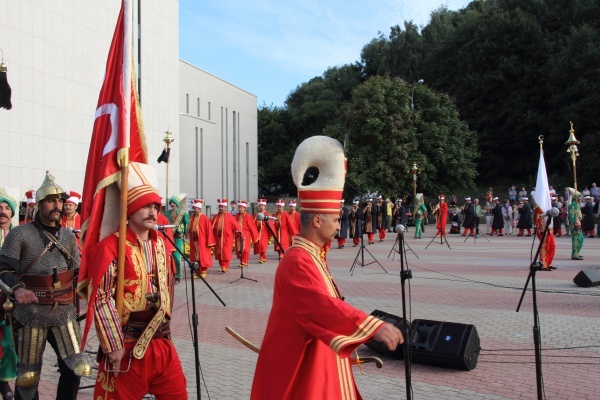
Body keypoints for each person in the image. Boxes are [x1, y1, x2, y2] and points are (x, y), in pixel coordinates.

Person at [251, 135, 403, 400]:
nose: (337, 225)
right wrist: (371, 326)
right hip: (304, 369)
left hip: (319, 362)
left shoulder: (313, 257)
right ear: (318, 220)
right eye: (334, 219)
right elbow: (320, 305)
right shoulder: (297, 260)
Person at [80, 163, 187, 399]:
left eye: (155, 206)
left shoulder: (161, 245)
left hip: (161, 342)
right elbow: (101, 297)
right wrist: (113, 345)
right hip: (125, 344)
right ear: (130, 210)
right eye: (145, 206)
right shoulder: (111, 248)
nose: (152, 212)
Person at [0, 172, 91, 400]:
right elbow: (3, 270)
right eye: (51, 200)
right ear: (39, 204)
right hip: (30, 312)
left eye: (60, 201)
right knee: (28, 377)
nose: (57, 205)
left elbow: (77, 271)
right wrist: (18, 289)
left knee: (76, 367)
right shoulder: (20, 234)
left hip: (63, 311)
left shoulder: (68, 237)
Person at [0, 189, 18, 400]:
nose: (3, 212)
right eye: (0, 208)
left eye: (6, 208)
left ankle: (4, 380)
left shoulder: (18, 235)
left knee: (10, 343)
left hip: (12, 298)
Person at [189, 199, 216, 278]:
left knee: (202, 256)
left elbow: (209, 231)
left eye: (195, 208)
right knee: (196, 256)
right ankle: (198, 271)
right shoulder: (192, 218)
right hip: (194, 240)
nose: (194, 210)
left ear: (199, 209)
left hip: (202, 241)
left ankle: (203, 271)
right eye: (193, 208)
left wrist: (209, 241)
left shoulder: (205, 218)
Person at [211, 197, 239, 272]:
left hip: (227, 238)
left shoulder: (230, 217)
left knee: (226, 252)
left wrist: (240, 235)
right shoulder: (215, 217)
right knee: (219, 253)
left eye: (222, 207)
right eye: (220, 207)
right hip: (218, 239)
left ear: (225, 208)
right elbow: (211, 227)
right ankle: (222, 266)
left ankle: (225, 266)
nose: (221, 208)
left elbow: (236, 227)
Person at [168, 193, 190, 283]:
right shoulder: (167, 213)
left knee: (177, 256)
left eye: (174, 202)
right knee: (170, 256)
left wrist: (184, 232)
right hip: (169, 237)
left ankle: (178, 275)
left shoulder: (183, 213)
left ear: (177, 203)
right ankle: (171, 273)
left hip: (179, 238)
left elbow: (187, 224)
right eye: (171, 202)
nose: (172, 204)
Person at [234, 199, 259, 267]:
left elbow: (252, 227)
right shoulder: (236, 216)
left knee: (245, 249)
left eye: (241, 208)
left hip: (246, 236)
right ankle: (242, 261)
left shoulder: (248, 217)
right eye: (239, 207)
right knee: (239, 249)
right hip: (238, 235)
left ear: (244, 208)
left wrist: (255, 237)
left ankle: (244, 261)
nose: (239, 209)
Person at [535, 207, 556, 271]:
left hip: (550, 229)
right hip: (544, 230)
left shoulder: (548, 204)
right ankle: (543, 264)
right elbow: (538, 218)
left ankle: (548, 263)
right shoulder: (539, 207)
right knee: (545, 247)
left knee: (553, 246)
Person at [253, 198, 272, 263]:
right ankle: (262, 257)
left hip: (264, 232)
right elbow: (252, 223)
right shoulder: (255, 215)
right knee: (259, 245)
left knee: (263, 245)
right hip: (257, 232)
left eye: (262, 206)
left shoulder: (267, 214)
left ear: (264, 206)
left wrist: (271, 232)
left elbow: (271, 224)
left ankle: (262, 257)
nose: (261, 207)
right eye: (260, 206)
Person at [568, 188, 584, 260]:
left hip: (579, 224)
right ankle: (575, 254)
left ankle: (577, 252)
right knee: (576, 240)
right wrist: (576, 225)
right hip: (576, 226)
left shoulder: (577, 205)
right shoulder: (573, 205)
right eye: (580, 197)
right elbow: (572, 216)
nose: (581, 198)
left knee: (580, 239)